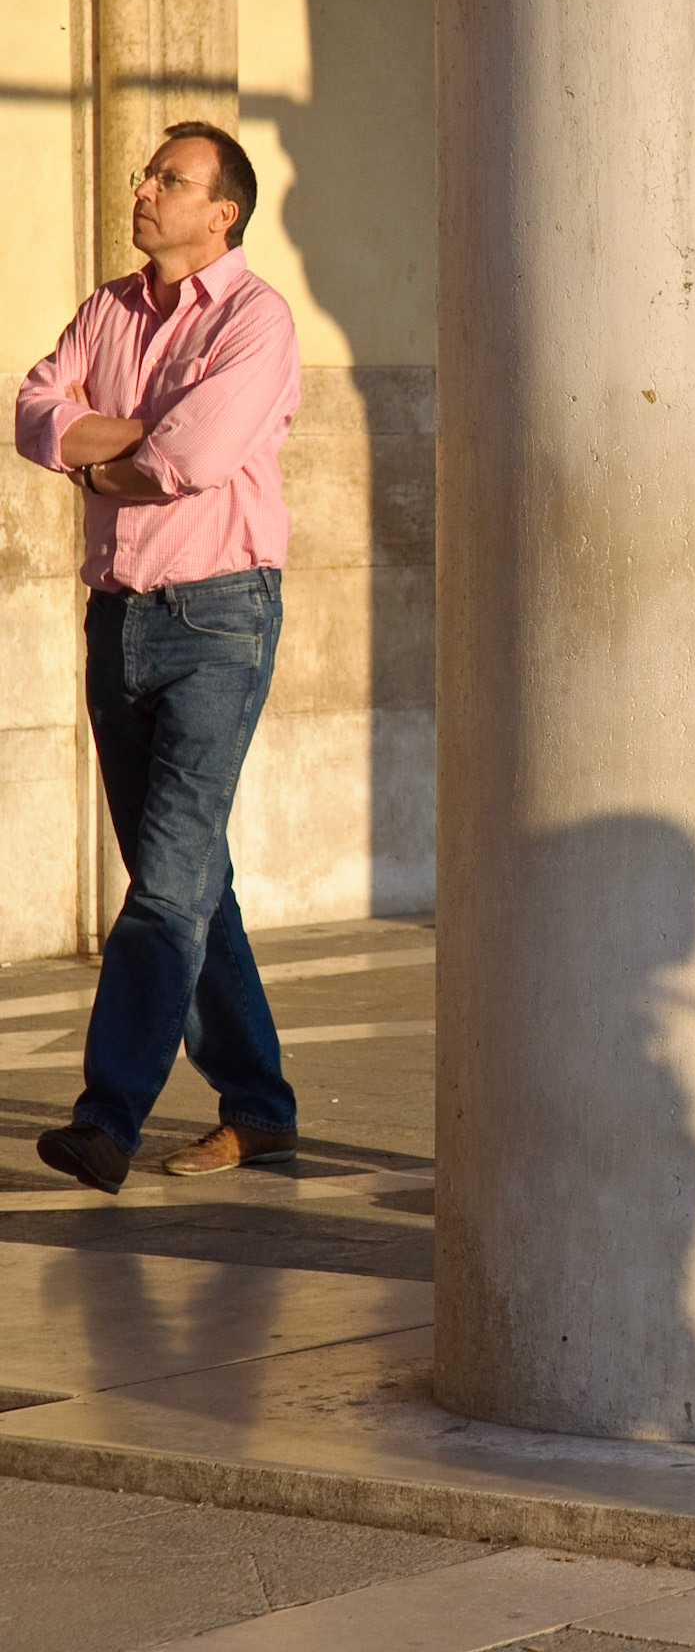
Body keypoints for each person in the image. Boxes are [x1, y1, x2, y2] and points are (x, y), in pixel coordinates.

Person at [15, 120, 300, 1195]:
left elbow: (193, 456)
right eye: (147, 175)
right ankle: (260, 1107)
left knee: (170, 882)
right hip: (117, 618)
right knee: (187, 877)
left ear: (220, 210)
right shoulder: (108, 308)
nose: (142, 189)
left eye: (168, 179)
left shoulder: (257, 318)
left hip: (220, 618)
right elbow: (37, 411)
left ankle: (107, 1118)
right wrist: (123, 439)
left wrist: (107, 446)